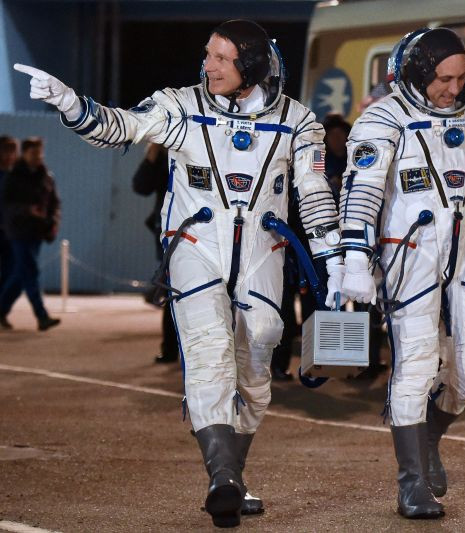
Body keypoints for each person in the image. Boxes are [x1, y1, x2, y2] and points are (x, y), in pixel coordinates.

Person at [15, 19, 344, 527]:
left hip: (263, 249)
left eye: (220, 58)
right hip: (196, 246)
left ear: (251, 66)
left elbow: (315, 190)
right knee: (209, 347)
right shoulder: (178, 106)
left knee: (259, 351)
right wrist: (70, 103)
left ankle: (233, 472)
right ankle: (221, 477)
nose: (207, 64)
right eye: (207, 54)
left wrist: (335, 258)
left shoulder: (299, 122)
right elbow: (119, 127)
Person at [338, 28, 465, 518]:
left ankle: (428, 438)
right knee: (417, 362)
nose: (453, 88)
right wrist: (354, 261)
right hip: (408, 256)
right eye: (443, 79)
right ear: (415, 73)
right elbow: (360, 194)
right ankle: (412, 483)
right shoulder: (383, 120)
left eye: (460, 77)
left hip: (464, 255)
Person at [0, 137, 61, 331]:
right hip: (17, 231)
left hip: (37, 231)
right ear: (25, 154)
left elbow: (54, 202)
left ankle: (1, 310)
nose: (38, 157)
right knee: (30, 271)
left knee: (20, 274)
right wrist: (28, 210)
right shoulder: (14, 177)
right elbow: (7, 206)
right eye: (34, 153)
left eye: (40, 153)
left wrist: (53, 221)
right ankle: (41, 316)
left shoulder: (45, 177)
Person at [132, 143, 180, 364]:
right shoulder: (162, 154)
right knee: (173, 289)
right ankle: (170, 348)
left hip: (204, 225)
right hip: (171, 229)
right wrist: (151, 157)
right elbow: (141, 186)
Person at [0, 135, 20, 328]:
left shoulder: (18, 177)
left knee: (13, 273)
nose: (9, 156)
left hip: (12, 233)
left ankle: (2, 311)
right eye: (5, 151)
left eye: (12, 152)